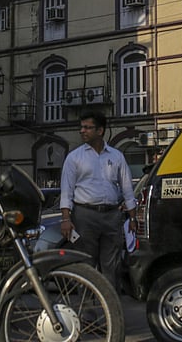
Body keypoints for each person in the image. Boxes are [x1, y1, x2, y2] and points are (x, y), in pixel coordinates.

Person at [59, 110, 136, 293]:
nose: (82, 131)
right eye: (81, 127)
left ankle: (109, 312)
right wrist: (66, 219)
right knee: (86, 264)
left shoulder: (116, 156)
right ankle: (86, 314)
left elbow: (127, 188)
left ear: (100, 131)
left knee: (111, 266)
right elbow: (66, 190)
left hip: (111, 216)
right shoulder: (74, 158)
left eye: (87, 127)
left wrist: (132, 218)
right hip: (85, 215)